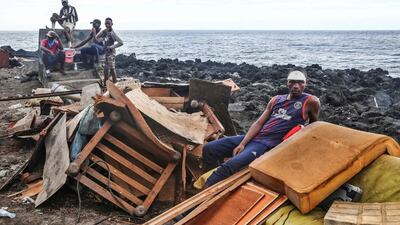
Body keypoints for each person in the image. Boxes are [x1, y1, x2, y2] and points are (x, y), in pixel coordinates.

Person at [202, 70, 321, 187]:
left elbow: (312, 127)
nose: (296, 86)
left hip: (265, 144)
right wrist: (243, 143)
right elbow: (259, 123)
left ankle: (204, 191)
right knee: (208, 149)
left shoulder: (311, 101)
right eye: (292, 82)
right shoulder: (276, 99)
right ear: (287, 82)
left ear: (306, 83)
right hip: (254, 138)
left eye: (300, 82)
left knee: (231, 164)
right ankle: (212, 178)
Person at [95, 18, 123, 85]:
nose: (107, 25)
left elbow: (121, 42)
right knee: (106, 69)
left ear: (112, 24)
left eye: (108, 23)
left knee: (112, 68)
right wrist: (103, 33)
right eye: (106, 23)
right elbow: (97, 37)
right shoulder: (105, 32)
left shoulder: (112, 33)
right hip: (106, 52)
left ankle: (115, 83)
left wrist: (111, 47)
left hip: (111, 53)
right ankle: (105, 83)